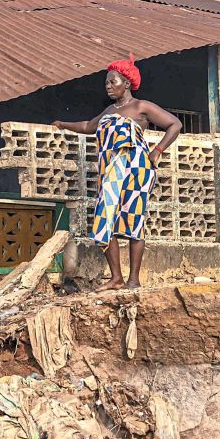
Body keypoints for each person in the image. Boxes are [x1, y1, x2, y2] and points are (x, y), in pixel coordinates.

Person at [52, 56, 182, 289]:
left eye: (113, 82)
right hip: (110, 173)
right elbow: (88, 127)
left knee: (134, 220)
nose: (109, 87)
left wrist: (157, 150)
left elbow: (175, 124)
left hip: (136, 169)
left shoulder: (142, 107)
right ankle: (116, 278)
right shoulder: (109, 110)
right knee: (104, 219)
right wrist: (63, 124)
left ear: (127, 83)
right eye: (107, 84)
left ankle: (133, 279)